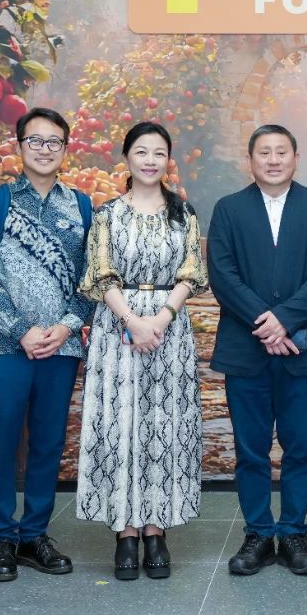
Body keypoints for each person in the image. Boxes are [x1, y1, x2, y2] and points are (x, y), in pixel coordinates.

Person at [207, 124, 307, 576]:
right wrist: (265, 321)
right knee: (251, 448)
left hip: (302, 349)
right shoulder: (229, 209)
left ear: (295, 158)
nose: (273, 159)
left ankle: (294, 532)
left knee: (300, 445)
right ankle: (259, 534)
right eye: (263, 152)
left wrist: (285, 318)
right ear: (250, 161)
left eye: (281, 151)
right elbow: (222, 274)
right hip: (245, 349)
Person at [76, 121, 208, 581]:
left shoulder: (183, 213)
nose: (150, 160)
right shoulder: (108, 214)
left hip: (169, 327)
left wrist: (163, 317)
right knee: (122, 421)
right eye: (141, 152)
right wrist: (132, 321)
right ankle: (125, 532)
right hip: (119, 328)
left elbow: (192, 272)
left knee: (162, 423)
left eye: (158, 153)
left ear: (168, 160)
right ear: (127, 158)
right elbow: (100, 273)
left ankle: (156, 529)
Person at [0, 107, 93, 583]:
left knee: (48, 442)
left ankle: (34, 534)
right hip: (3, 347)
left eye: (53, 141)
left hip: (60, 349)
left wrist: (66, 327)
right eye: (34, 141)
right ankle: (2, 536)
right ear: (18, 147)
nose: (44, 149)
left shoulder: (82, 207)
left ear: (65, 149)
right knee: (1, 441)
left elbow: (93, 277)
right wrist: (20, 329)